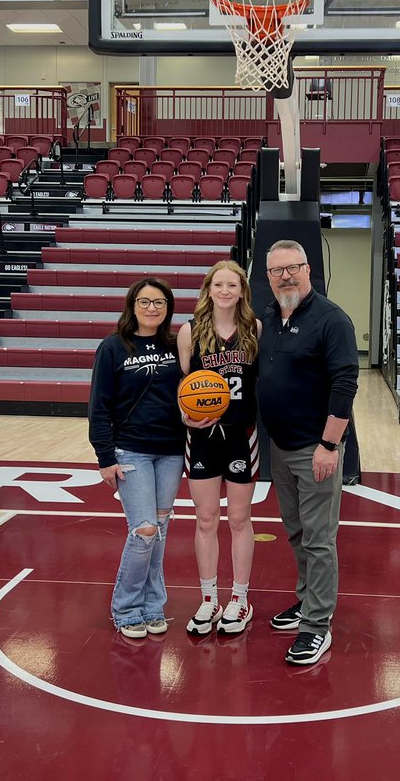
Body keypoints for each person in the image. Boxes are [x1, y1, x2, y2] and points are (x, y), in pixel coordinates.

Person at [257, 240, 359, 665]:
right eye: (277, 270)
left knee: (319, 540)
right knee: (297, 532)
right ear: (267, 276)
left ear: (308, 269)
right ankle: (307, 601)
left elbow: (345, 383)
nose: (285, 276)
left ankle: (317, 625)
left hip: (314, 449)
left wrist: (329, 445)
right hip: (279, 447)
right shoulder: (269, 316)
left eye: (292, 268)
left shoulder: (331, 319)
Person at [88, 277, 185, 640]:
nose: (152, 309)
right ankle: (126, 608)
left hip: (171, 451)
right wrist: (104, 456)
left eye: (159, 303)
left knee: (159, 533)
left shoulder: (177, 345)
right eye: (145, 302)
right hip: (131, 450)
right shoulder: (113, 347)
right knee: (144, 531)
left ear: (168, 308)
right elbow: (99, 406)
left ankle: (153, 606)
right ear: (132, 306)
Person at [176, 261, 261, 636]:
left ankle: (240, 599)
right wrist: (186, 416)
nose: (225, 291)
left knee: (239, 519)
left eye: (232, 285)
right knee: (206, 519)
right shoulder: (189, 331)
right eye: (219, 284)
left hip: (242, 434)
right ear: (208, 289)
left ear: (242, 290)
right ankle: (209, 598)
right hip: (202, 438)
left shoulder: (254, 329)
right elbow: (183, 388)